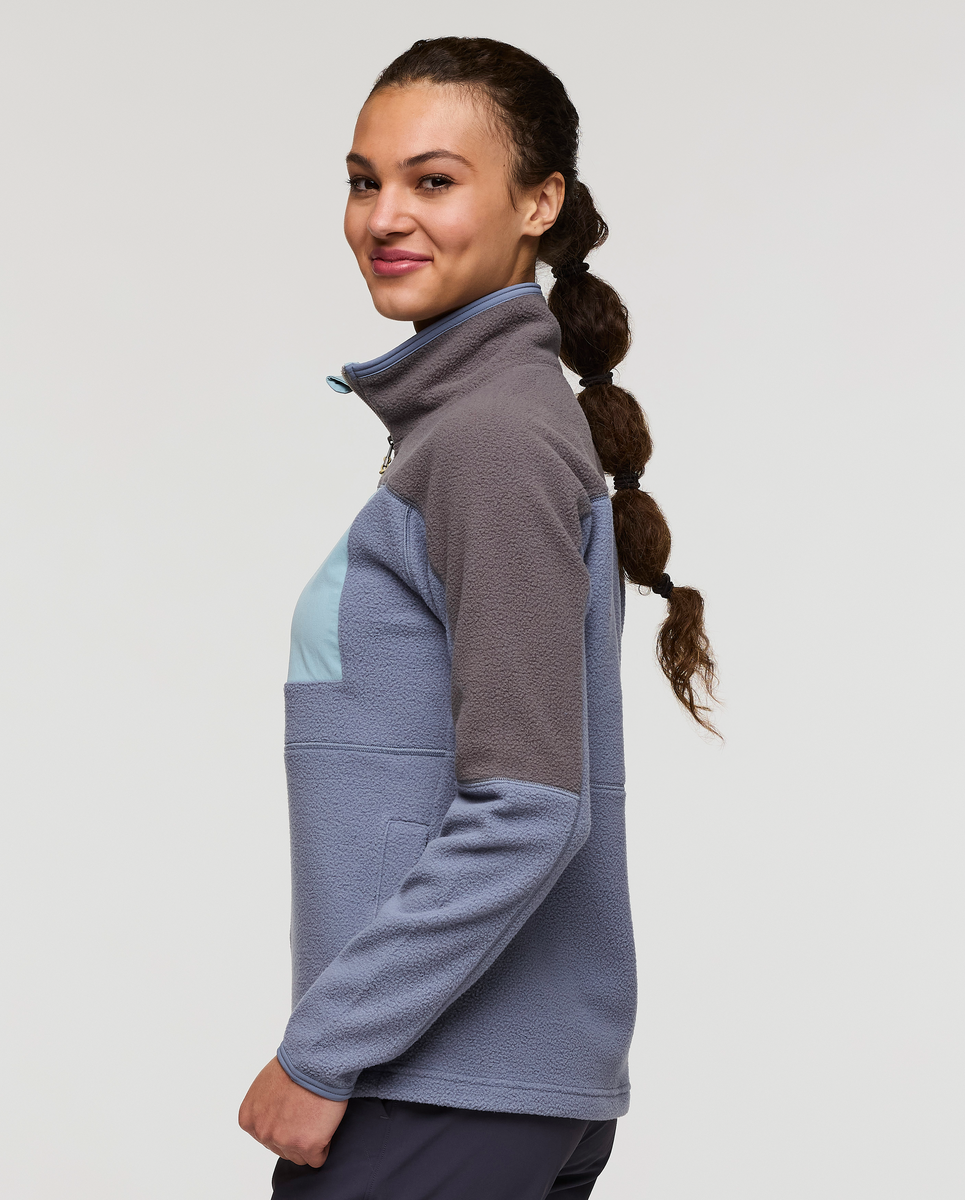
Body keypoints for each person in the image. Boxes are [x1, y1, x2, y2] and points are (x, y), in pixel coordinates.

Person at [239, 36, 717, 1199]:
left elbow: (530, 806)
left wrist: (324, 1049)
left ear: (539, 204)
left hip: (439, 1087)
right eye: (365, 181)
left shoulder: (491, 439)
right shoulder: (482, 425)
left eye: (435, 180)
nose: (385, 217)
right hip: (481, 1091)